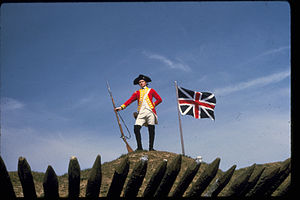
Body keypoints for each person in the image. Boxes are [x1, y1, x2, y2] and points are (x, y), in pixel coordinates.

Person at [115, 74, 162, 151]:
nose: (141, 83)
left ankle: (151, 148)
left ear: (146, 82)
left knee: (151, 130)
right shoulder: (137, 93)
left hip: (150, 112)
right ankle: (139, 147)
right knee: (136, 128)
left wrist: (153, 105)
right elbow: (130, 100)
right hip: (141, 112)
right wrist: (121, 107)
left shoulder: (151, 90)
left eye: (142, 81)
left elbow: (159, 99)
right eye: (140, 82)